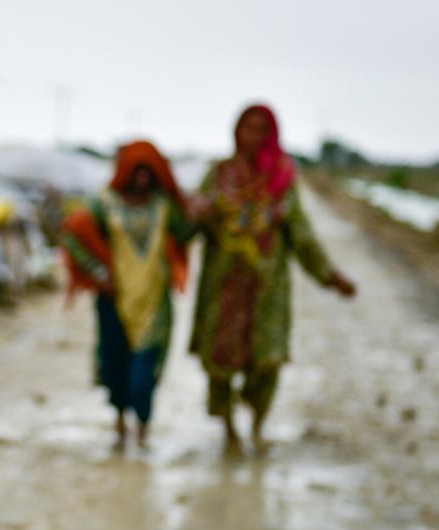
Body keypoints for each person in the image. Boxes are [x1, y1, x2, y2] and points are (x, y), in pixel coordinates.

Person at [189, 104, 356, 453]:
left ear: (272, 134)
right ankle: (230, 429)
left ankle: (257, 425)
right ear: (235, 132)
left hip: (266, 292)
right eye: (246, 127)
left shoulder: (281, 180)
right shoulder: (218, 175)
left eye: (260, 129)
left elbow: (302, 236)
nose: (252, 135)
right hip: (223, 290)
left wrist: (330, 276)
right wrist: (195, 214)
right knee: (219, 363)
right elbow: (189, 224)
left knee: (266, 363)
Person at [60, 140, 192, 449]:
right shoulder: (103, 204)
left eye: (149, 172)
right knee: (116, 366)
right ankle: (120, 426)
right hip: (114, 301)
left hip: (154, 302)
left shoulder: (164, 206)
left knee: (144, 374)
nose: (143, 179)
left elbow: (185, 232)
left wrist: (197, 210)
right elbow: (73, 234)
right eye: (137, 171)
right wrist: (99, 274)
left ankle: (143, 430)